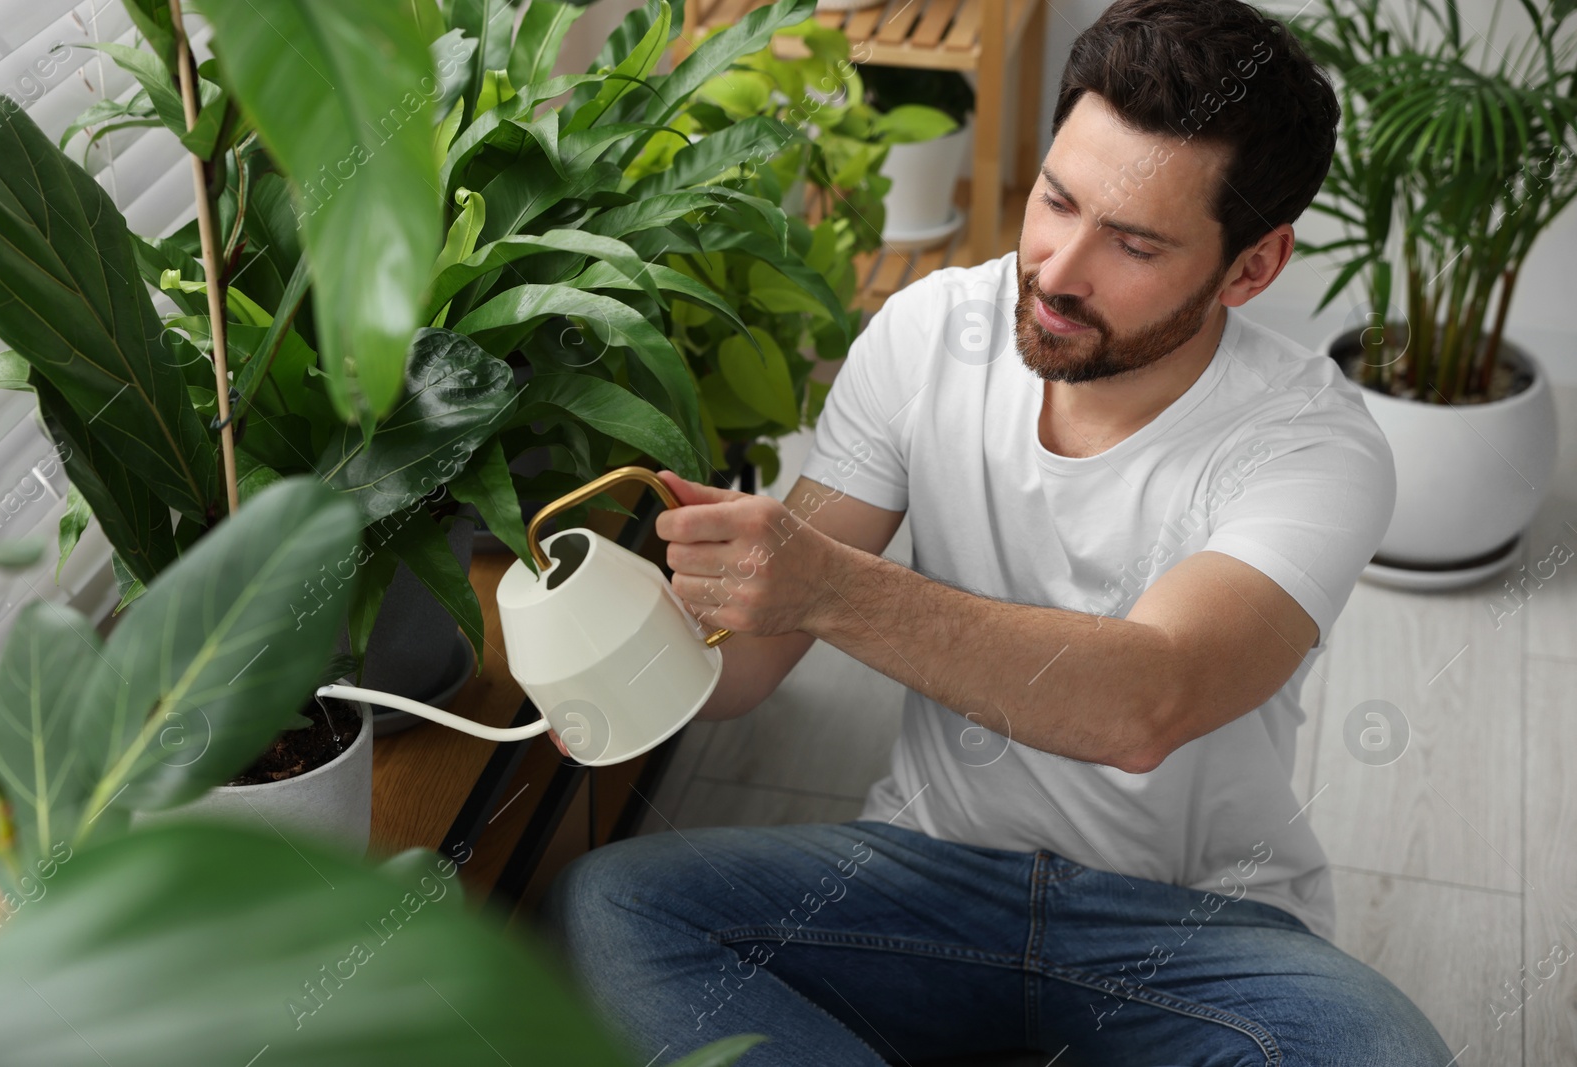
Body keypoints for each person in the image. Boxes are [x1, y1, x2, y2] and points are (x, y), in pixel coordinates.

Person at [540, 1, 1456, 1063]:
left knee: (1377, 1047)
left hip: (1191, 927)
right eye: (1056, 200)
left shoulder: (1312, 444)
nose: (1061, 268)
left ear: (1250, 268)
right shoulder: (932, 332)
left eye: (1135, 244)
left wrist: (826, 585)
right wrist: (619, 650)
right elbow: (744, 669)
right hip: (921, 878)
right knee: (608, 909)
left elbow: (1145, 701)